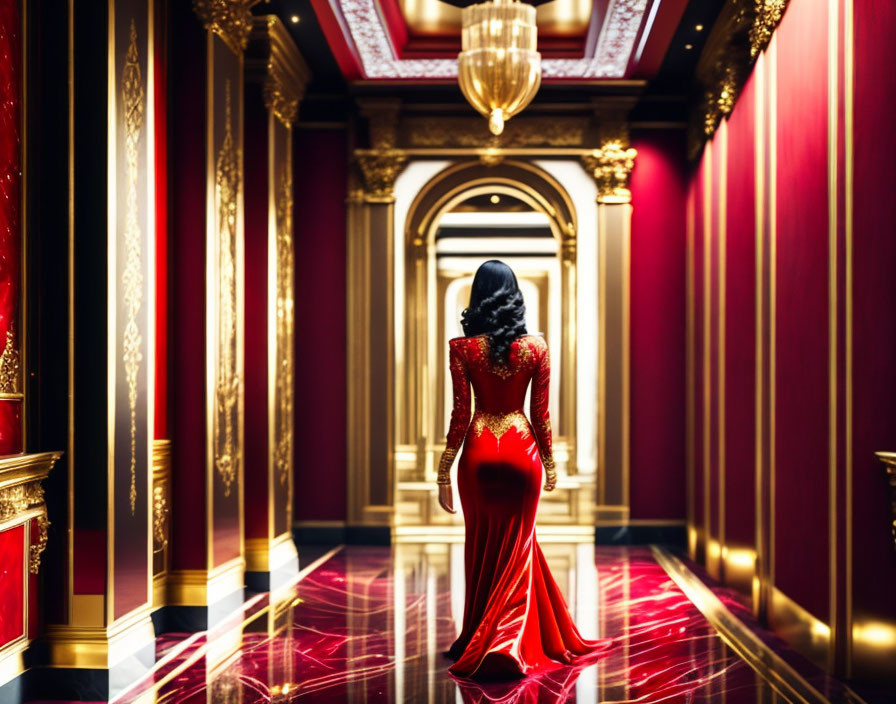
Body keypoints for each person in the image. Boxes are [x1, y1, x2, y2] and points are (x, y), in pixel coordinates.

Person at [438, 259, 612, 679]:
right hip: (522, 454)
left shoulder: (461, 348)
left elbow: (461, 414)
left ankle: (479, 636)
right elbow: (541, 414)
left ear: (477, 297)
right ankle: (506, 641)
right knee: (518, 546)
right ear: (515, 297)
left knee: (480, 547)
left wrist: (444, 471)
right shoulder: (536, 347)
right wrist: (550, 464)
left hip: (479, 453)